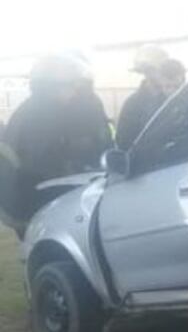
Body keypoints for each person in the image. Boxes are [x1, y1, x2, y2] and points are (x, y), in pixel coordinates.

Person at [1, 54, 110, 231]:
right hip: (31, 201)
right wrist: (77, 172)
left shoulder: (34, 108)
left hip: (20, 197)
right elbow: (44, 167)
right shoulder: (42, 115)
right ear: (52, 87)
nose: (75, 92)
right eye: (71, 86)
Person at [116, 46, 185, 150]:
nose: (166, 73)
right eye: (161, 69)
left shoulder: (172, 98)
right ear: (148, 72)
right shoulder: (132, 104)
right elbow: (123, 143)